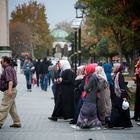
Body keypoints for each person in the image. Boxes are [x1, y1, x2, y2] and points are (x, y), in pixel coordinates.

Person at [0, 56, 21, 129]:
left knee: (4, 106)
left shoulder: (8, 69)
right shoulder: (10, 68)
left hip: (9, 90)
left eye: (1, 61)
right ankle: (17, 122)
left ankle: (0, 122)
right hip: (12, 90)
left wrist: (9, 90)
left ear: (5, 62)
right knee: (12, 108)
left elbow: (10, 80)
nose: (1, 63)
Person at [109, 64, 132, 128]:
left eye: (114, 67)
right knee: (119, 109)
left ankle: (116, 123)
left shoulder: (120, 75)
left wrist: (124, 97)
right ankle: (117, 123)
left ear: (117, 68)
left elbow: (122, 86)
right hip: (117, 95)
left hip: (119, 95)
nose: (112, 68)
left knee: (118, 109)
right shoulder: (116, 75)